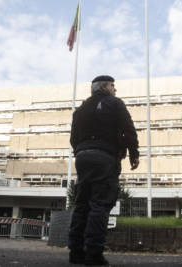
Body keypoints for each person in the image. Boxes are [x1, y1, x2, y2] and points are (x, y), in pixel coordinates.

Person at [68, 75, 139, 265]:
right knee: (99, 204)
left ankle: (75, 252)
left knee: (82, 204)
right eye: (113, 86)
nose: (115, 90)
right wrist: (134, 153)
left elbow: (73, 138)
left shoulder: (80, 110)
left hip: (83, 157)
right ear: (105, 88)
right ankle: (93, 254)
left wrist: (81, 151)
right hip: (105, 157)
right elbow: (128, 129)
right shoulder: (114, 103)